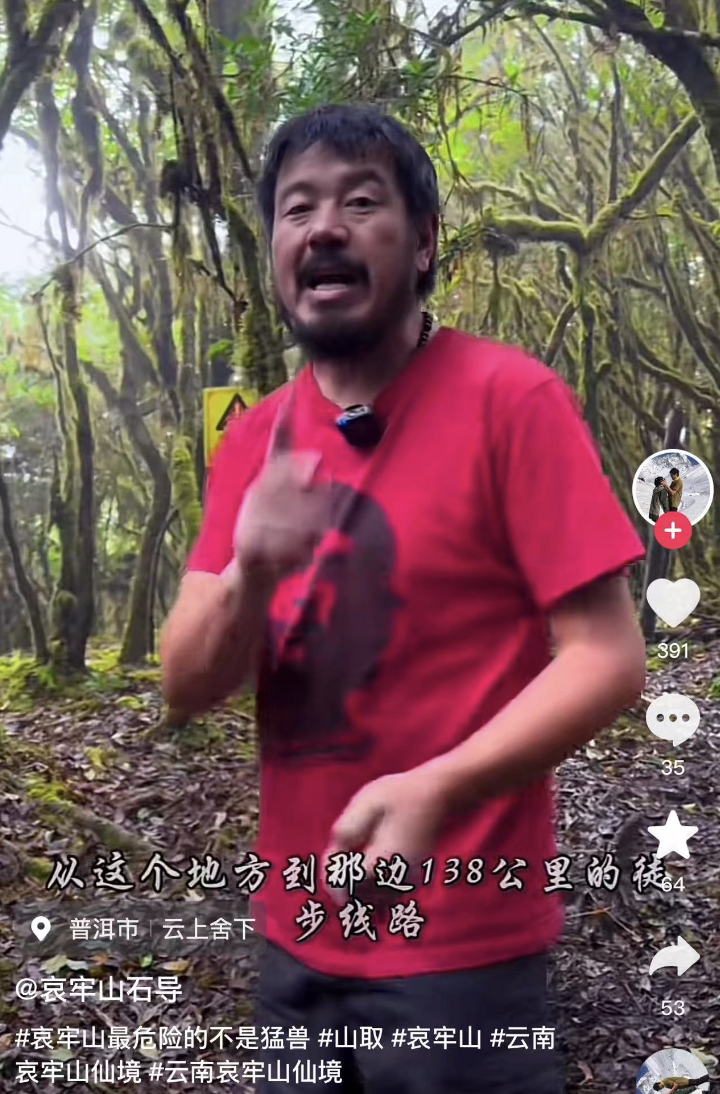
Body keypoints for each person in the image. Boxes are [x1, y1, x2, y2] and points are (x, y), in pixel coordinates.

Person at [160, 103, 646, 1094]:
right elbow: (185, 684)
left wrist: (439, 787)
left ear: (423, 243)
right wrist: (252, 570)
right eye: (298, 208)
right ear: (276, 253)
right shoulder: (254, 442)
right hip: (292, 944)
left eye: (360, 202)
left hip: (464, 953)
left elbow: (606, 655)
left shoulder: (511, 401)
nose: (323, 228)